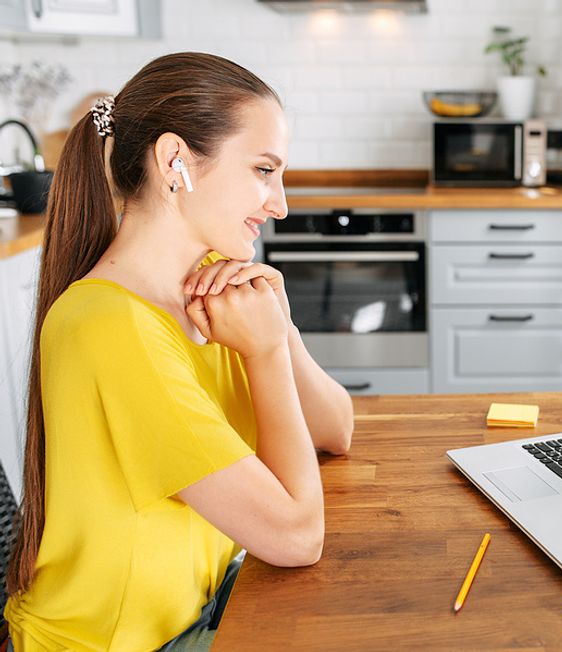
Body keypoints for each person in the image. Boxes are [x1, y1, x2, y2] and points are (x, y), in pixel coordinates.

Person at [3, 53, 355, 651]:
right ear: (175, 163)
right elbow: (297, 538)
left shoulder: (216, 285)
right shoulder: (109, 326)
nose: (280, 204)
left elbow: (334, 429)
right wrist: (264, 353)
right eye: (264, 170)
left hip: (203, 619)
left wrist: (281, 328)